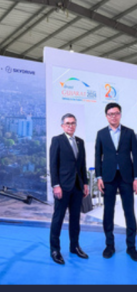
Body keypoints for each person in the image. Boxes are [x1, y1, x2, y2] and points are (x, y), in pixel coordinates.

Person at [95, 102, 137, 261]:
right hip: (108, 178)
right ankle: (109, 245)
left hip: (126, 177)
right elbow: (97, 157)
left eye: (116, 113)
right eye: (110, 114)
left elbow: (136, 156)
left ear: (120, 114)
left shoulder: (130, 132)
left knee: (129, 212)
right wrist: (99, 177)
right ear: (106, 116)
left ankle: (131, 247)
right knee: (108, 211)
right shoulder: (101, 134)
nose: (114, 116)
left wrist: (136, 178)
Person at [49, 113, 89, 264]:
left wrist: (85, 183)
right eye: (67, 123)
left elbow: (82, 165)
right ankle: (55, 250)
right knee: (58, 219)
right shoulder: (57, 140)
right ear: (62, 126)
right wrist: (56, 185)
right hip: (63, 187)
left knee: (75, 219)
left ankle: (74, 247)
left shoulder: (80, 142)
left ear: (75, 125)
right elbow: (53, 165)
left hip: (77, 187)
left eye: (73, 123)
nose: (70, 126)